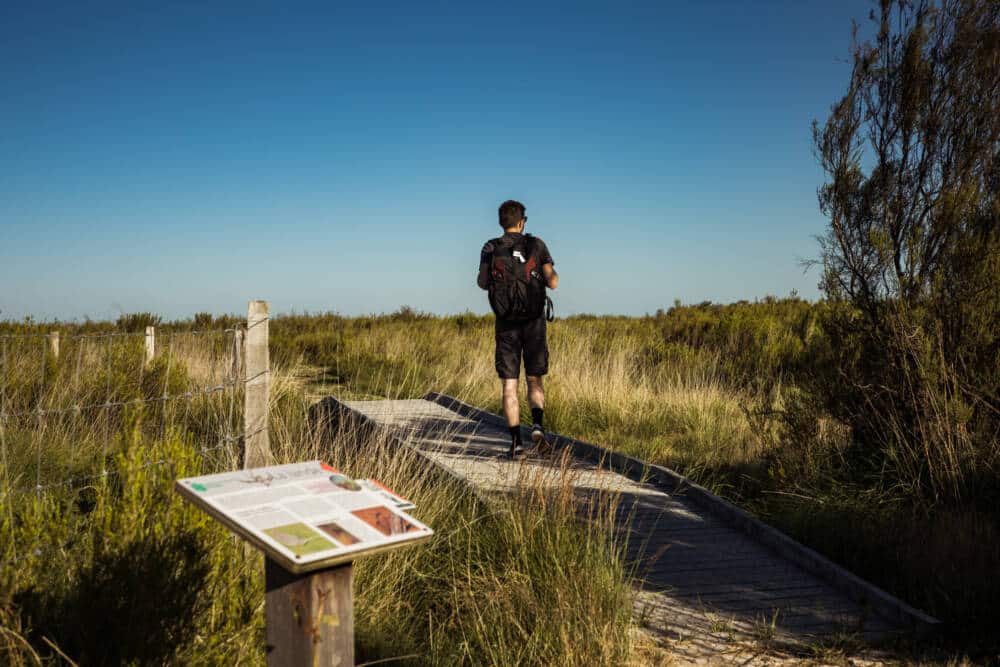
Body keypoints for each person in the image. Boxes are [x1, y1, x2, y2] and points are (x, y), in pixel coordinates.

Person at [477, 200, 559, 459]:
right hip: (533, 323)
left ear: (501, 222)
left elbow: (481, 282)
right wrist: (548, 276)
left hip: (506, 325)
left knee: (509, 386)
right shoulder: (536, 244)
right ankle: (537, 426)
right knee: (534, 379)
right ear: (522, 221)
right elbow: (553, 282)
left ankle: (516, 444)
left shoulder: (490, 248)